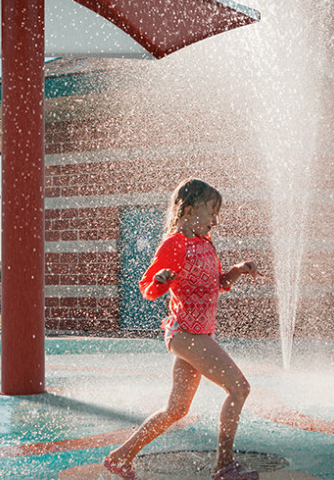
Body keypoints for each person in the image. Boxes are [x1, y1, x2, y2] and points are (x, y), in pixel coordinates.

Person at [103, 178, 261, 480]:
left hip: (197, 335)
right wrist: (160, 280)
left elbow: (217, 284)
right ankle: (224, 466)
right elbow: (148, 289)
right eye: (211, 212)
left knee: (176, 410)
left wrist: (237, 271)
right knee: (239, 388)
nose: (215, 220)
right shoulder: (174, 244)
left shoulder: (205, 243)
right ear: (188, 211)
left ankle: (121, 457)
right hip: (186, 334)